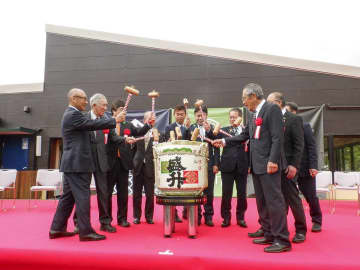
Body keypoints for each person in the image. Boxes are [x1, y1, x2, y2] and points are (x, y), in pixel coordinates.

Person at [213, 83, 291, 253]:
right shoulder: (252, 113)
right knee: (262, 201)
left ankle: (282, 239)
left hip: (269, 164)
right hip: (256, 164)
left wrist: (273, 160)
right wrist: (225, 141)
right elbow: (245, 136)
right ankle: (269, 232)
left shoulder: (272, 109)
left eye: (244, 98)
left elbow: (278, 138)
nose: (243, 102)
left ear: (253, 96)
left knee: (274, 201)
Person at [49, 88, 127, 241]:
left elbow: (92, 125)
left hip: (73, 164)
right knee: (83, 197)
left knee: (68, 198)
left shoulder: (73, 114)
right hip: (78, 164)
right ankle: (85, 231)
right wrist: (114, 120)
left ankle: (56, 228)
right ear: (73, 98)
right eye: (83, 98)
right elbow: (91, 124)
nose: (86, 101)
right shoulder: (73, 115)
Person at [106, 99, 155, 228]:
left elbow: (139, 132)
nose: (123, 112)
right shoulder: (107, 124)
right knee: (107, 194)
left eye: (125, 110)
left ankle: (122, 219)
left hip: (123, 163)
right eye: (120, 110)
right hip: (110, 163)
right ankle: (107, 220)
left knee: (123, 193)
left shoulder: (128, 125)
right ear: (114, 111)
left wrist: (149, 125)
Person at [267, 92, 307, 243]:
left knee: (292, 198)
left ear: (278, 103)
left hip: (288, 167)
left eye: (270, 103)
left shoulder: (294, 119)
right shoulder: (270, 119)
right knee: (277, 200)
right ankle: (277, 229)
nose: (267, 106)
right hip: (274, 166)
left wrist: (294, 165)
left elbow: (299, 145)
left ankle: (301, 230)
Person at [286, 102, 322, 232]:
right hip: (289, 168)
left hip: (305, 168)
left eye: (287, 111)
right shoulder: (283, 126)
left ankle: (317, 220)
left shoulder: (305, 126)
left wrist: (313, 166)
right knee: (286, 197)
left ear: (294, 112)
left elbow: (312, 147)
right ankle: (281, 224)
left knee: (310, 196)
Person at [217, 108, 248, 228]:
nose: (232, 119)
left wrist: (249, 165)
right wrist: (208, 127)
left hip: (242, 165)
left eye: (234, 117)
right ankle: (226, 217)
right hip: (227, 166)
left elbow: (250, 149)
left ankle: (241, 217)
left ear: (240, 117)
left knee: (242, 194)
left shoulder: (246, 131)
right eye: (230, 117)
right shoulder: (224, 130)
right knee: (226, 193)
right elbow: (213, 135)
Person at [189, 105, 220, 226]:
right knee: (196, 191)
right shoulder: (190, 128)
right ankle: (197, 215)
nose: (200, 118)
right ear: (195, 117)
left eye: (202, 115)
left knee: (209, 191)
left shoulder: (212, 129)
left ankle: (209, 216)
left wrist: (216, 164)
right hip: (194, 165)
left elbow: (216, 148)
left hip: (209, 164)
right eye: (197, 116)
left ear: (206, 116)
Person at [132, 111, 163, 224]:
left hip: (150, 166)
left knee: (150, 194)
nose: (152, 120)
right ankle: (136, 216)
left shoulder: (157, 133)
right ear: (145, 120)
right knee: (136, 193)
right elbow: (132, 149)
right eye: (150, 118)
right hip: (138, 165)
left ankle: (149, 216)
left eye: (153, 118)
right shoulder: (138, 132)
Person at [164, 104, 191, 222]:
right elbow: (165, 143)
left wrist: (188, 129)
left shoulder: (187, 128)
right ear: (174, 115)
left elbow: (190, 142)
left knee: (186, 186)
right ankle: (173, 213)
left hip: (185, 161)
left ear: (185, 115)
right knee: (173, 188)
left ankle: (186, 210)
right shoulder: (169, 127)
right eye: (178, 114)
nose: (180, 116)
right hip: (173, 160)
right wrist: (170, 141)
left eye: (182, 114)